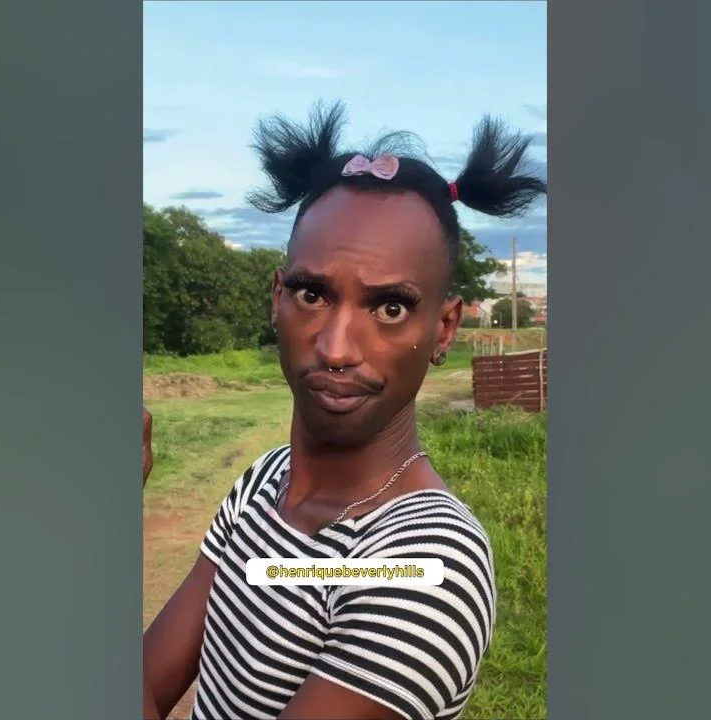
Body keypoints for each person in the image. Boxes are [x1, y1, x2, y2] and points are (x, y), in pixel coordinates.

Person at [142, 101, 546, 720]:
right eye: (313, 294)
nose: (335, 348)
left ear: (444, 328)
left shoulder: (425, 568)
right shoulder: (262, 484)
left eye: (390, 309)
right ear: (277, 298)